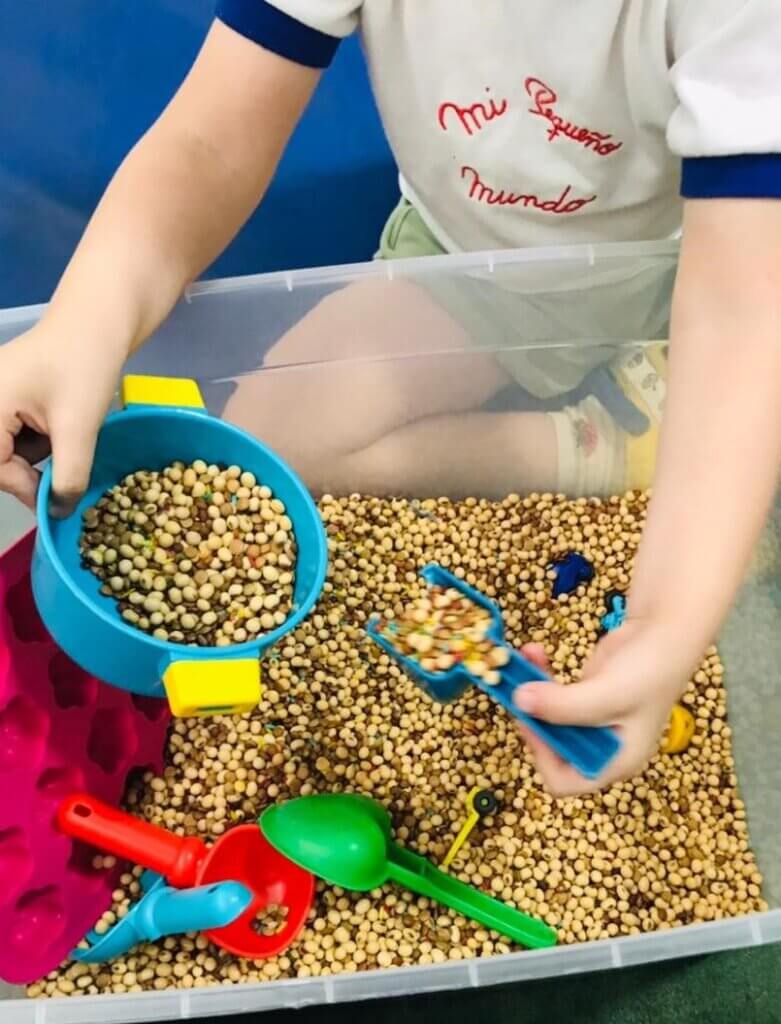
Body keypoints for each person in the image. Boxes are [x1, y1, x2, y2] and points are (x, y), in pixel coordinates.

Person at [1, 2, 779, 797]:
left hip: (684, 267)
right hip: (458, 254)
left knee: (732, 443)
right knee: (272, 440)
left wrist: (665, 621)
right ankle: (600, 444)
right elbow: (211, 137)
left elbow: (743, 309)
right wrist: (84, 322)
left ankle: (658, 407)